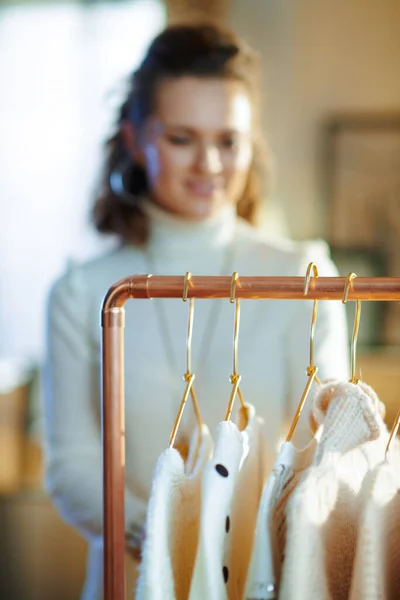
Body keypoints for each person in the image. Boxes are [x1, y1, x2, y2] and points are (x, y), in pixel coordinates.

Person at [42, 21, 349, 599]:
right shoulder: (82, 291)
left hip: (271, 578)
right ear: (135, 139)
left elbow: (325, 438)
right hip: (132, 581)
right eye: (182, 138)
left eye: (228, 140)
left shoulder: (302, 274)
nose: (209, 163)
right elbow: (73, 466)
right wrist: (172, 539)